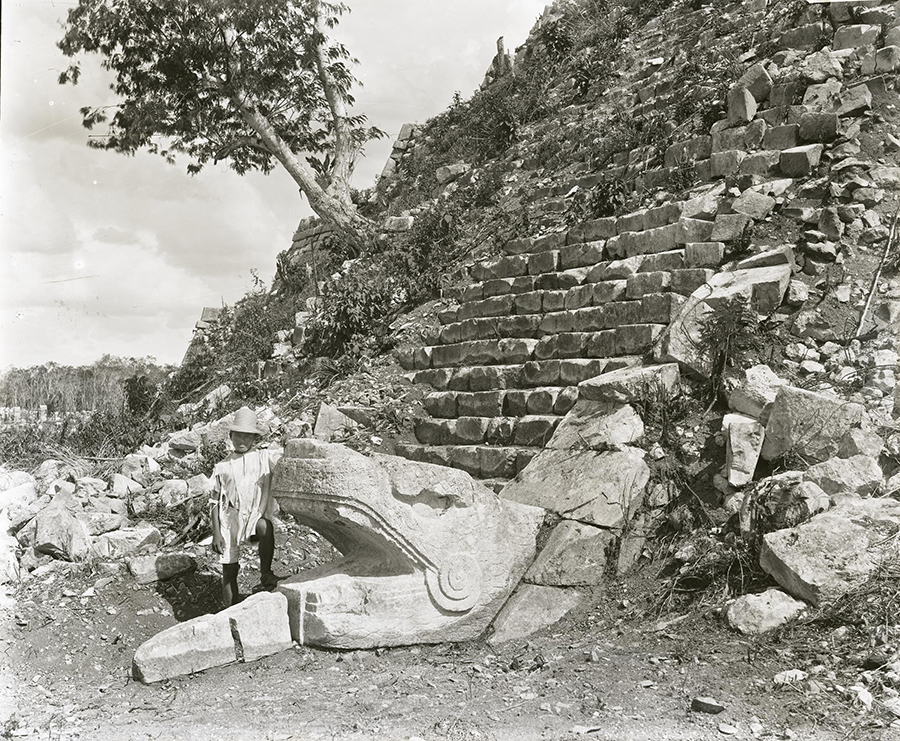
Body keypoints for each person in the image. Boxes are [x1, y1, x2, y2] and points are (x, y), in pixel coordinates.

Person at [209, 406, 279, 606]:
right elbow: (214, 501)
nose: (242, 441)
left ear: (254, 439)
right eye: (238, 435)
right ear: (231, 436)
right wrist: (216, 532)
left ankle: (265, 573)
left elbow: (282, 465)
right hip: (230, 520)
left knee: (265, 526)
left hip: (254, 515)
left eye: (247, 437)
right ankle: (229, 611)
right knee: (229, 570)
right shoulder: (222, 466)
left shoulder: (263, 458)